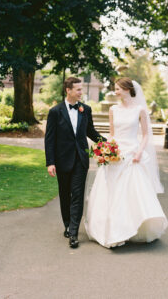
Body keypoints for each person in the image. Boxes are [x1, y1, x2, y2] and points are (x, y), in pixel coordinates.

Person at [84, 77, 168, 248]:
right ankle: (111, 230)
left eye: (117, 88)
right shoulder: (113, 109)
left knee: (132, 193)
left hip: (132, 155)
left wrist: (139, 152)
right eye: (114, 89)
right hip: (115, 155)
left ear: (127, 89)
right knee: (111, 192)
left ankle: (132, 227)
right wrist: (106, 150)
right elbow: (112, 134)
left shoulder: (140, 110)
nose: (115, 91)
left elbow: (145, 135)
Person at [45, 77, 106, 248]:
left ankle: (73, 232)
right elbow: (49, 139)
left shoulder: (85, 109)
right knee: (65, 194)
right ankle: (67, 224)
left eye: (81, 89)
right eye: (78, 89)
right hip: (62, 159)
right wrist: (50, 162)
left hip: (80, 159)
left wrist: (108, 143)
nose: (81, 92)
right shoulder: (55, 111)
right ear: (68, 90)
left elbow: (91, 132)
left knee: (78, 195)